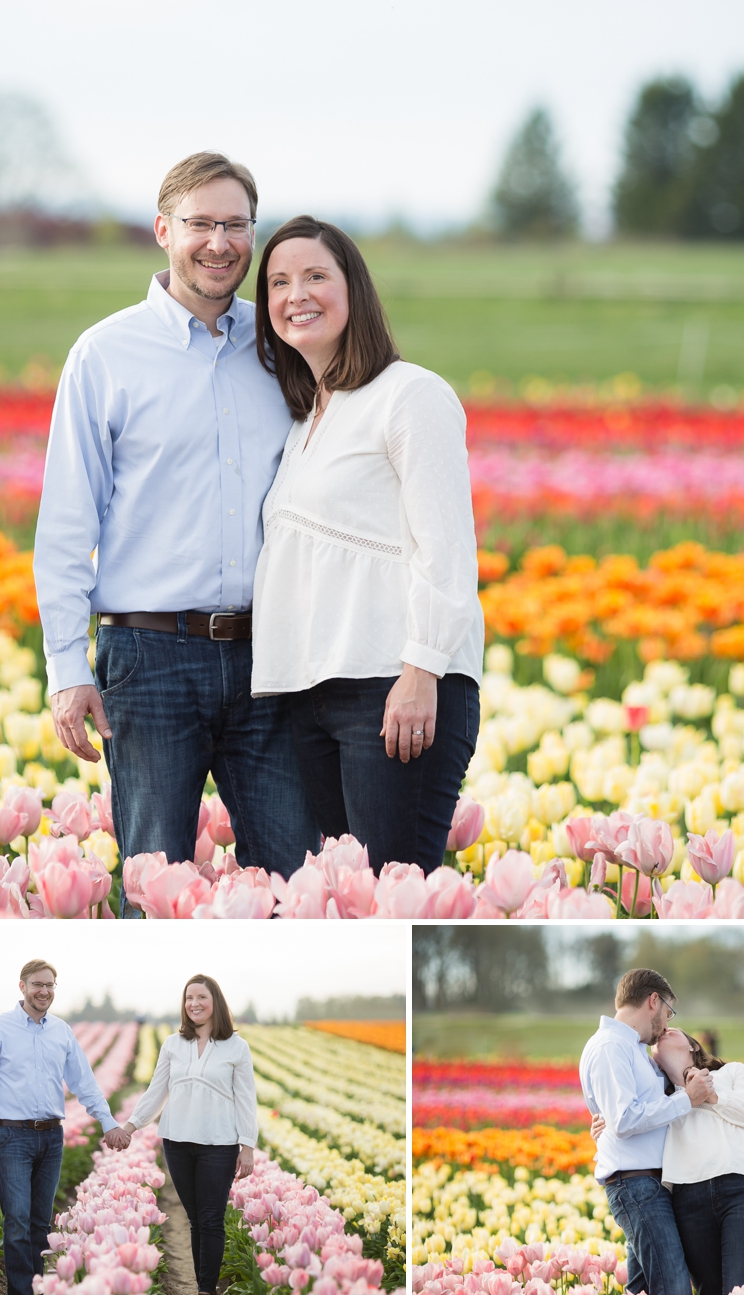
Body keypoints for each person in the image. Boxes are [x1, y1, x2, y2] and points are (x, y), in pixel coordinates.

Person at [35, 151, 316, 903]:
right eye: (200, 224)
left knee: (296, 884)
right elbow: (66, 525)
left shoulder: (282, 348)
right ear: (164, 230)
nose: (219, 242)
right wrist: (68, 668)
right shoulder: (105, 355)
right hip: (149, 656)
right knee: (155, 885)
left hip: (270, 658)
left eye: (235, 224)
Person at [247, 216, 484, 875]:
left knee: (393, 893)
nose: (297, 293)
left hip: (394, 687)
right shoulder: (306, 419)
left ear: (356, 291)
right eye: (278, 282)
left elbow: (447, 548)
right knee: (352, 896)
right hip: (314, 691)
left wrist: (422, 669)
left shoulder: (410, 395)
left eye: (316, 275)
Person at [0, 959, 131, 1295]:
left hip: (51, 1136)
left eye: (51, 985)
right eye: (38, 984)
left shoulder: (61, 1031)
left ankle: (39, 1293)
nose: (45, 991)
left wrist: (107, 1122)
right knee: (17, 1221)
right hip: (12, 1135)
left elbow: (83, 1082)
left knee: (42, 1220)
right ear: (22, 986)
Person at [595, 1028, 744, 1295]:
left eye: (671, 1031)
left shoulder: (731, 1073)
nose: (662, 1034)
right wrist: (605, 1124)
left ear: (694, 1046)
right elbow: (628, 1118)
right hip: (689, 1198)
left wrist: (711, 1096)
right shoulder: (659, 1097)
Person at [120, 974, 258, 1295]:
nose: (194, 1004)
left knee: (211, 1220)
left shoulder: (235, 1047)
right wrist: (131, 1125)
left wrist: (248, 1146)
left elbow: (246, 1099)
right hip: (177, 1142)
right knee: (196, 1220)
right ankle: (205, 1290)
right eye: (189, 998)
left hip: (219, 1145)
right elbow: (156, 1090)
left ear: (216, 1003)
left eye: (202, 997)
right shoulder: (173, 1044)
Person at [579, 969, 717, 1295]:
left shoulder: (631, 1048)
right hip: (636, 1185)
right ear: (653, 1001)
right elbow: (624, 1119)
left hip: (646, 1184)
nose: (667, 1024)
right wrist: (687, 1099)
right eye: (668, 1012)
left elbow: (622, 1117)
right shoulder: (611, 1046)